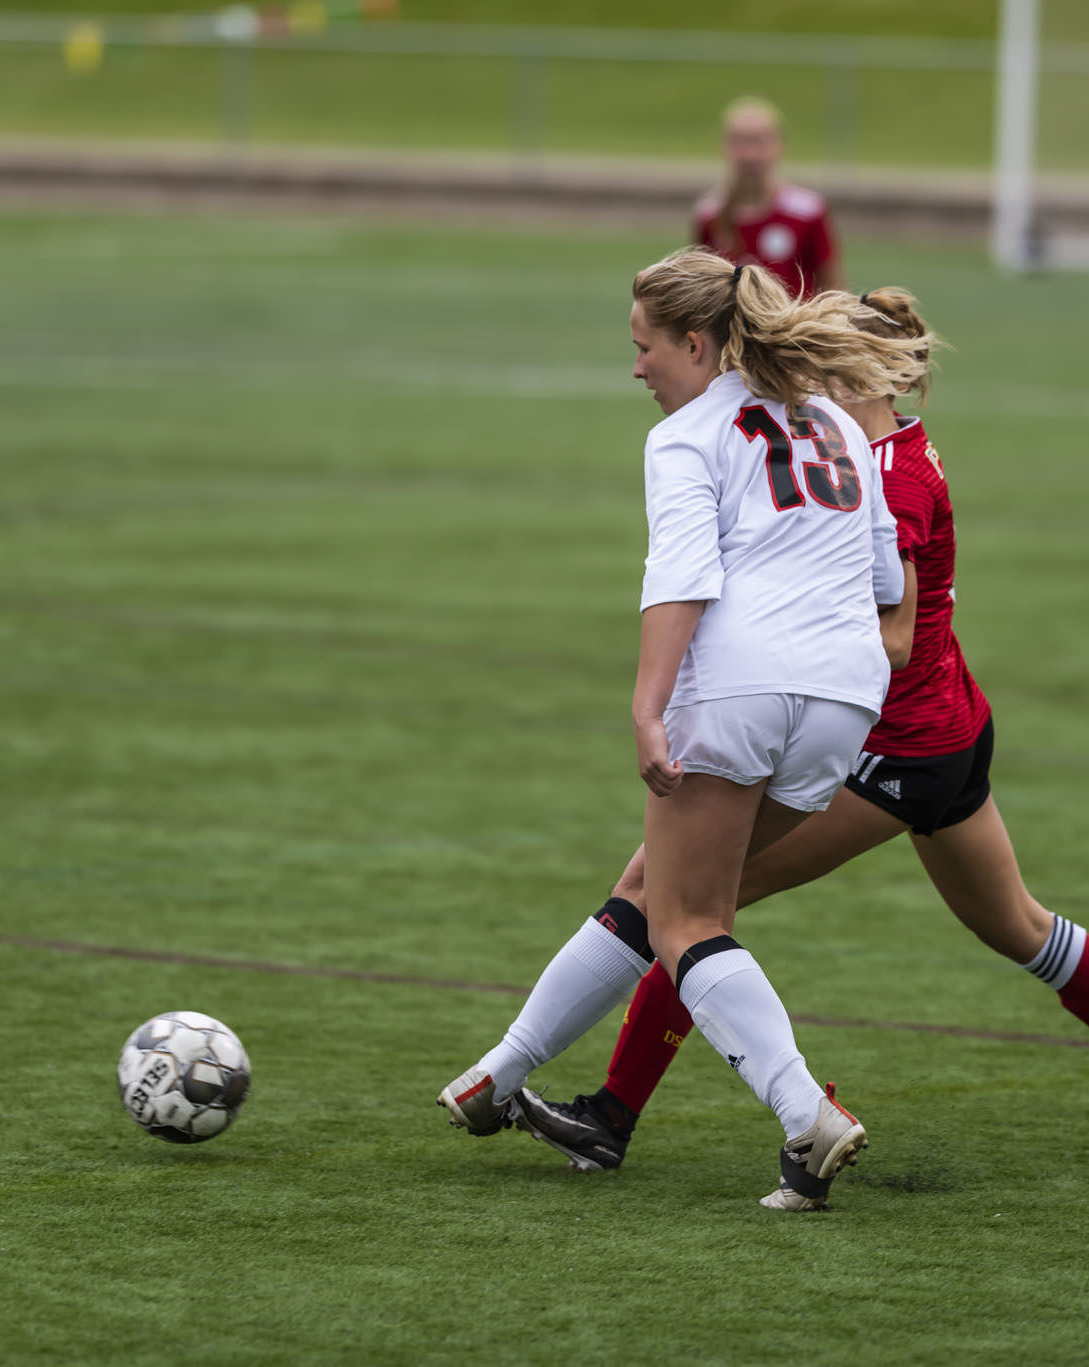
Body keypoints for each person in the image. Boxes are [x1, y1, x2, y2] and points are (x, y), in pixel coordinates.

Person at [515, 288, 1089, 1174]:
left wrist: (770, 631)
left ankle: (622, 1114)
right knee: (1023, 927)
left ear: (852, 370)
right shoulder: (884, 448)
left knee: (694, 906)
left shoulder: (887, 471)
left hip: (897, 749)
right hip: (949, 729)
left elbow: (894, 635)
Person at [439, 248, 926, 1211]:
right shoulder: (833, 416)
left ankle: (807, 1115)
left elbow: (684, 580)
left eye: (645, 346)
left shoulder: (685, 437)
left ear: (697, 343)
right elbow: (886, 586)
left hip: (743, 688)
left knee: (688, 920)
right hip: (846, 704)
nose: (636, 368)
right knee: (652, 885)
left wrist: (646, 706)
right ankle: (500, 1074)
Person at [694, 96, 845, 301]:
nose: (749, 154)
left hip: (796, 331)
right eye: (739, 142)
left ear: (779, 145)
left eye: (758, 141)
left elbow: (834, 288)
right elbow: (702, 289)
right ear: (725, 146)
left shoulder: (808, 212)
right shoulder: (709, 214)